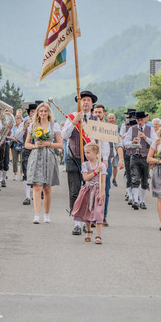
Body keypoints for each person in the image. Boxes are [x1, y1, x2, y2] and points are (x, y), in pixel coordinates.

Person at [62, 90, 108, 235]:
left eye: (88, 100)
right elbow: (64, 135)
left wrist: (105, 158)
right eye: (83, 100)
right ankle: (76, 223)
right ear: (79, 102)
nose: (86, 102)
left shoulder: (96, 120)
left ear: (92, 103)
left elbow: (103, 141)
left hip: (91, 161)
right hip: (74, 158)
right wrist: (74, 122)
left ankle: (87, 221)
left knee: (90, 192)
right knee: (75, 191)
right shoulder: (71, 117)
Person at [24, 102, 62, 224]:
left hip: (49, 156)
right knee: (37, 186)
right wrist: (35, 146)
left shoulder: (54, 125)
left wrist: (48, 144)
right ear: (38, 113)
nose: (43, 113)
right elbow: (26, 144)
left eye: (45, 111)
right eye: (41, 111)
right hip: (36, 155)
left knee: (47, 187)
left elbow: (60, 144)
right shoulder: (33, 125)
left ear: (48, 112)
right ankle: (36, 214)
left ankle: (46, 214)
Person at [71, 142, 107, 244]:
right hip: (88, 189)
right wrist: (96, 171)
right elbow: (86, 178)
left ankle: (98, 235)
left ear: (95, 152)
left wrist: (102, 193)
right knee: (87, 210)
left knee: (98, 211)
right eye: (85, 153)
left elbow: (103, 180)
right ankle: (88, 231)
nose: (86, 155)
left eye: (88, 152)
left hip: (98, 189)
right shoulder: (85, 164)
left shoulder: (102, 165)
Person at [123, 110, 157, 210]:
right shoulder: (131, 129)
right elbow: (125, 143)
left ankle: (142, 201)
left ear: (145, 120)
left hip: (146, 157)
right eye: (138, 120)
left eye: (141, 120)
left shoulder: (150, 129)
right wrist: (132, 142)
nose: (140, 122)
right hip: (134, 156)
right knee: (135, 178)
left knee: (145, 180)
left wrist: (145, 137)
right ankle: (135, 201)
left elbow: (155, 143)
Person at [16, 102, 38, 205]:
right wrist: (25, 127)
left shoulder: (42, 122)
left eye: (35, 111)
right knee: (26, 171)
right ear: (29, 113)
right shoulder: (24, 122)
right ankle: (27, 196)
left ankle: (38, 192)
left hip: (38, 149)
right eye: (32, 112)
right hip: (27, 148)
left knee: (38, 172)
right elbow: (17, 136)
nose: (33, 113)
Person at [10, 114, 24, 180]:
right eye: (16, 119)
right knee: (15, 160)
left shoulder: (23, 127)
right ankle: (15, 173)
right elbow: (11, 136)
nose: (17, 120)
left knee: (22, 160)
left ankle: (22, 174)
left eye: (18, 119)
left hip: (22, 145)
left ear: (21, 120)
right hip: (15, 145)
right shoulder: (13, 127)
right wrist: (16, 140)